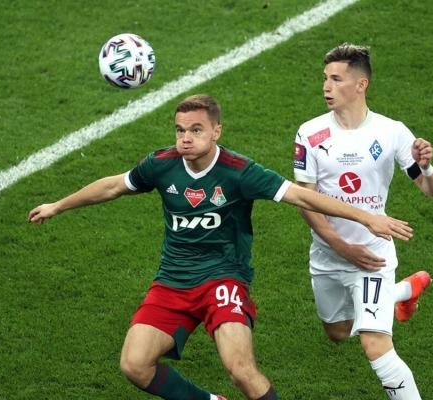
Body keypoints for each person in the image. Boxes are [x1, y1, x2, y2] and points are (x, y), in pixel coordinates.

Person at [28, 94, 413, 400]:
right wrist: (58, 205)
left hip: (224, 280)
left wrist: (367, 218)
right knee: (134, 365)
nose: (185, 138)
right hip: (172, 282)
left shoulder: (239, 171)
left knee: (240, 370)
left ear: (216, 131)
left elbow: (301, 196)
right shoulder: (162, 165)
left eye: (196, 130)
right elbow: (113, 185)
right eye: (180, 130)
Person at [293, 44, 433, 399]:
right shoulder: (310, 133)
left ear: (361, 85)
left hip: (373, 257)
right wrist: (342, 247)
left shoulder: (391, 132)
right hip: (329, 254)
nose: (326, 87)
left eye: (336, 79)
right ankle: (404, 291)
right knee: (338, 332)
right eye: (325, 78)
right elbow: (305, 201)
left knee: (375, 344)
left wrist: (426, 168)